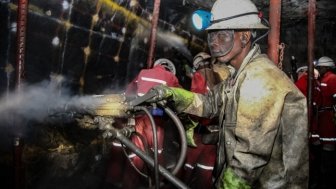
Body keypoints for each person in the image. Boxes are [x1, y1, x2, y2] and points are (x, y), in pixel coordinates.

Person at [145, 0, 309, 188]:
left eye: (222, 35)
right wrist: (172, 95)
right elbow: (209, 103)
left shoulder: (260, 80)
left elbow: (248, 160)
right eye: (212, 35)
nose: (214, 42)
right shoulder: (238, 75)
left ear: (245, 37)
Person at [105, 58, 181, 189]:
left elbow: (129, 91)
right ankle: (158, 182)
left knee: (137, 153)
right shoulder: (171, 77)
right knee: (157, 152)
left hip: (139, 117)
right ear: (170, 69)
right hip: (156, 122)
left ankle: (128, 184)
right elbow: (180, 97)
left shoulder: (143, 72)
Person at [180, 52, 222, 189]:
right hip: (215, 132)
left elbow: (196, 104)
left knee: (188, 165)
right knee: (206, 168)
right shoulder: (218, 77)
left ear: (197, 64)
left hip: (200, 131)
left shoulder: (199, 76)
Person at [314, 56, 336, 189]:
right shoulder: (325, 79)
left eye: (320, 67)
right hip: (324, 118)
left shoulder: (332, 78)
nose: (319, 69)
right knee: (324, 151)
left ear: (326, 67)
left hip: (329, 119)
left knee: (329, 150)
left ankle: (329, 180)